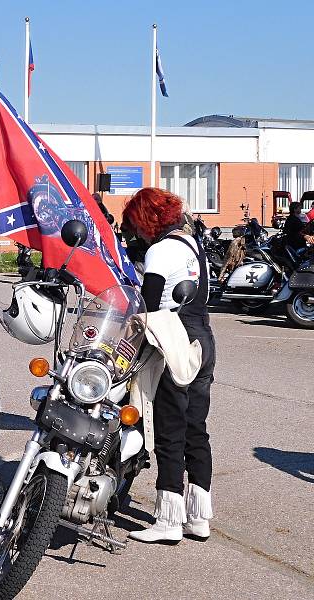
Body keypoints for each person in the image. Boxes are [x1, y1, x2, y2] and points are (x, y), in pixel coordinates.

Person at [122, 187, 215, 544]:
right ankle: (198, 517)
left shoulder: (160, 251)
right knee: (196, 429)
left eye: (136, 226)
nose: (137, 234)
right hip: (203, 339)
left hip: (174, 342)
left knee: (169, 430)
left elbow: (146, 304)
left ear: (147, 221)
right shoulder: (194, 246)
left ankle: (169, 521)